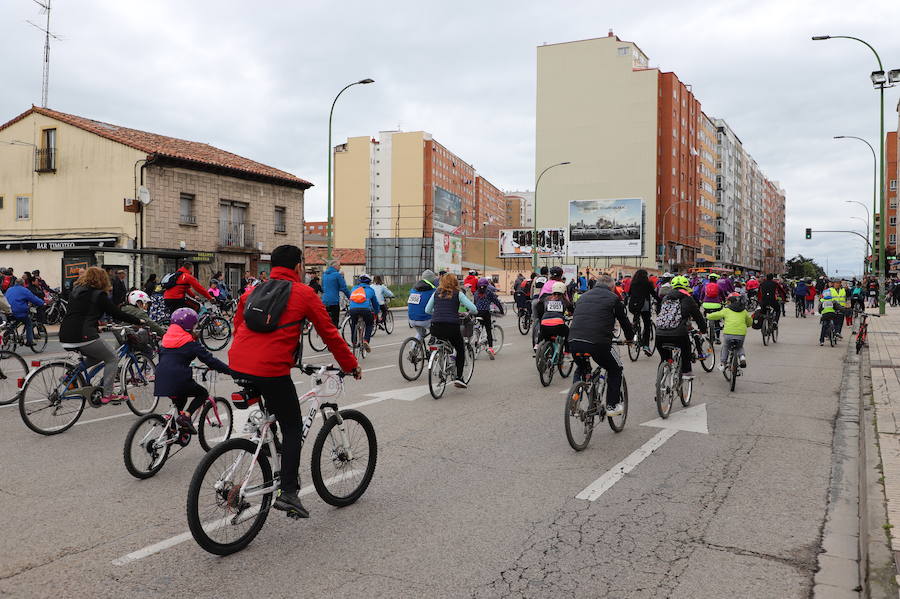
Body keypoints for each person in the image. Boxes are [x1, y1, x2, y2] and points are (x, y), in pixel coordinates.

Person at [229, 244, 359, 519]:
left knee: (273, 418)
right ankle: (288, 492)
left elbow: (238, 324)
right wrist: (351, 365)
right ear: (298, 267)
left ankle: (268, 456)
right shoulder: (303, 293)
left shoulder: (252, 291)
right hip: (271, 370)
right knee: (292, 425)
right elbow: (330, 334)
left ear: (271, 266)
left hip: (239, 363)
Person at [59, 267, 144, 403]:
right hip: (83, 336)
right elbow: (116, 313)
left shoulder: (76, 291)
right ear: (102, 279)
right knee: (112, 357)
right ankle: (108, 394)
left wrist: (95, 324)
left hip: (65, 335)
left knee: (97, 357)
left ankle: (68, 377)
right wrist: (138, 320)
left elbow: (80, 313)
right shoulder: (98, 295)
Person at [154, 308, 232, 435]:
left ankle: (174, 428)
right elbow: (211, 361)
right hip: (179, 380)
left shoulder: (165, 340)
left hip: (161, 378)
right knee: (202, 393)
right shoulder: (190, 343)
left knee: (180, 399)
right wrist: (230, 371)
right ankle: (187, 416)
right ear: (189, 326)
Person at [568, 274, 635, 416]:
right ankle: (612, 406)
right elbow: (624, 322)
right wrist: (630, 339)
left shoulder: (583, 297)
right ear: (612, 287)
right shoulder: (613, 298)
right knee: (616, 368)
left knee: (581, 368)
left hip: (574, 341)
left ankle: (575, 398)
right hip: (598, 343)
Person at [425, 273, 477, 388]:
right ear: (455, 283)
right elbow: (474, 309)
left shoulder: (436, 293)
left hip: (435, 327)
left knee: (442, 343)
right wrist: (467, 312)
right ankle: (459, 377)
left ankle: (442, 364)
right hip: (451, 327)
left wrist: (439, 313)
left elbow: (427, 310)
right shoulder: (458, 294)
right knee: (460, 348)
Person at [655, 275, 707, 380]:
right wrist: (703, 329)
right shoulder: (688, 298)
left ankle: (661, 381)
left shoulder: (665, 297)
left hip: (659, 334)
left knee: (665, 359)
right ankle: (686, 372)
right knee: (685, 349)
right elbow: (698, 317)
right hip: (678, 334)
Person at [706, 292, 752, 371]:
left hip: (728, 333)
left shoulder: (727, 310)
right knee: (739, 347)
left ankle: (723, 363)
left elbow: (716, 315)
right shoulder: (744, 311)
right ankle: (742, 357)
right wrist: (747, 325)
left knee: (726, 346)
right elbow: (749, 322)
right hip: (741, 334)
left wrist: (708, 315)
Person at [627, 269, 659, 354]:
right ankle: (646, 346)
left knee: (636, 321)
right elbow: (654, 294)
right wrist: (660, 300)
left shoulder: (633, 283)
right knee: (647, 324)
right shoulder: (647, 283)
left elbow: (629, 293)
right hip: (644, 306)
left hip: (634, 306)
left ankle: (634, 338)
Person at [5, 279, 45, 346]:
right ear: (23, 284)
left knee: (17, 320)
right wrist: (42, 303)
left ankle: (7, 332)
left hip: (9, 311)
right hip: (19, 311)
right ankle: (30, 341)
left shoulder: (9, 289)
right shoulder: (24, 290)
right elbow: (33, 298)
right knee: (28, 323)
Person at [473, 277, 505, 358]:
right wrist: (501, 310)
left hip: (477, 313)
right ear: (487, 285)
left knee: (480, 326)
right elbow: (496, 301)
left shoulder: (476, 293)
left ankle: (478, 341)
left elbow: (475, 302)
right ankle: (490, 348)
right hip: (485, 313)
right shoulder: (489, 292)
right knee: (488, 330)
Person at [536, 281, 573, 350]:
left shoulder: (546, 298)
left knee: (544, 333)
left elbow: (539, 305)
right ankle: (567, 351)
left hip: (544, 323)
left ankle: (538, 345)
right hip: (558, 325)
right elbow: (571, 311)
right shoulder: (564, 300)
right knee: (567, 332)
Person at [347, 274, 380, 351]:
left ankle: (354, 341)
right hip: (365, 310)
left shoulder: (354, 288)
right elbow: (375, 303)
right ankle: (366, 340)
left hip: (353, 310)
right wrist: (376, 312)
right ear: (369, 282)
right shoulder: (371, 290)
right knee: (369, 324)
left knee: (353, 324)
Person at [407, 269, 438, 341]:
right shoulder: (433, 291)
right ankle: (434, 348)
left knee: (421, 333)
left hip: (411, 319)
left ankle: (414, 347)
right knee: (437, 330)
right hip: (425, 320)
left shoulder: (413, 290)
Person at [322, 259, 350, 327]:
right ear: (335, 266)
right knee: (335, 322)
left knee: (327, 321)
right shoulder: (337, 275)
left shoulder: (324, 275)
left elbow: (323, 287)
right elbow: (344, 288)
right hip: (334, 301)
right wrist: (350, 297)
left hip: (325, 301)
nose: (340, 267)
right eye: (339, 265)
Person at [819, 278, 848, 345]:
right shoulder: (828, 290)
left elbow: (847, 297)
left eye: (839, 283)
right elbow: (823, 300)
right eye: (836, 283)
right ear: (833, 284)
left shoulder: (843, 290)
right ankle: (823, 338)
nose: (837, 284)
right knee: (825, 324)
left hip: (840, 308)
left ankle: (837, 333)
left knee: (839, 322)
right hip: (831, 308)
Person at [700, 273, 724, 344]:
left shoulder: (705, 286)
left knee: (705, 317)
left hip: (706, 305)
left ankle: (705, 328)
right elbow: (722, 295)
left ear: (709, 279)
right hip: (716, 305)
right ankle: (718, 338)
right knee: (717, 322)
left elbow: (701, 295)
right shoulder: (718, 286)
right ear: (716, 279)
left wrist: (701, 300)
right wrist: (724, 301)